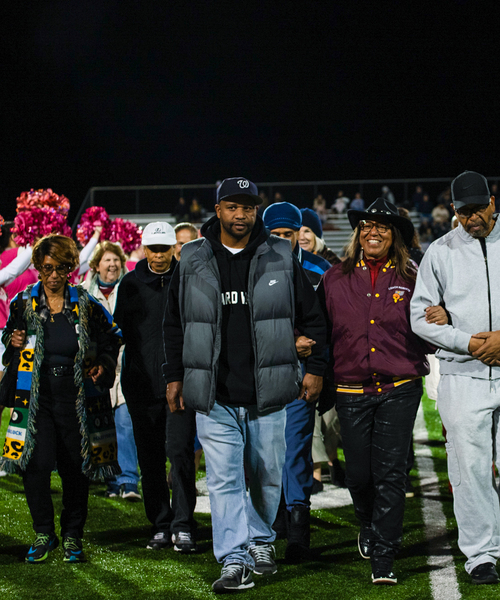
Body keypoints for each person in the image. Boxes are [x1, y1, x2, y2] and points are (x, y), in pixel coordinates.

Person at [163, 177, 326, 594]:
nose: (241, 215)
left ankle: (261, 539)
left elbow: (312, 315)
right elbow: (174, 324)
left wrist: (316, 367)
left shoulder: (280, 252)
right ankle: (234, 558)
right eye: (232, 207)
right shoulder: (193, 257)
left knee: (267, 474)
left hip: (268, 391)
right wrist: (175, 376)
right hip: (214, 392)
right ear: (217, 210)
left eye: (248, 207)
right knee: (223, 479)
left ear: (256, 211)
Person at [410, 171, 500, 585]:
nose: (471, 218)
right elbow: (420, 316)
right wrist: (469, 343)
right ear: (453, 210)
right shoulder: (439, 252)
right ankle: (480, 555)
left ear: (493, 202)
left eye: (477, 209)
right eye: (462, 211)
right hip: (463, 372)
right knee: (470, 467)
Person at [318, 198, 431, 585]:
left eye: (383, 226)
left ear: (395, 234)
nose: (374, 232)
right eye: (367, 226)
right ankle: (366, 522)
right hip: (350, 390)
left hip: (399, 387)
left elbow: (431, 333)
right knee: (360, 476)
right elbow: (319, 330)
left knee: (391, 473)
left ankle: (384, 555)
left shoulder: (415, 277)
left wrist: (441, 320)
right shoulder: (334, 278)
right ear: (358, 234)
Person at [0, 234, 122, 563]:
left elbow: (114, 335)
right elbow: (7, 343)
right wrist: (13, 341)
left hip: (78, 399)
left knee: (76, 468)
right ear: (38, 267)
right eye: (48, 268)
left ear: (71, 268)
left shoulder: (85, 302)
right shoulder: (23, 302)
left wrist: (104, 363)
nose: (54, 275)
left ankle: (72, 535)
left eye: (62, 268)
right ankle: (44, 533)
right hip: (35, 399)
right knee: (34, 466)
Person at [114, 222, 197, 553]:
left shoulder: (187, 278)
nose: (160, 255)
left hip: (181, 383)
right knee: (149, 458)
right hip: (141, 384)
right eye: (154, 248)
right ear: (144, 249)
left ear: (173, 248)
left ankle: (183, 524)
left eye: (165, 248)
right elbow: (120, 331)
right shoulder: (130, 284)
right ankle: (161, 525)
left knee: (179, 453)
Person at [262, 201, 331, 559]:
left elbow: (325, 326)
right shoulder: (250, 267)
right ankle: (276, 522)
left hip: (302, 375)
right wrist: (288, 343)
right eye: (275, 234)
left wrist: (317, 368)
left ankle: (298, 531)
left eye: (288, 234)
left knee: (296, 449)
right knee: (266, 450)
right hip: (261, 374)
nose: (283, 240)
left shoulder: (320, 270)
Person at [82, 241, 141, 501]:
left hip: (126, 365)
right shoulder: (84, 293)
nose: (113, 264)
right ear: (96, 266)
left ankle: (129, 480)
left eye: (116, 260)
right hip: (98, 369)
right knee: (101, 426)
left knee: (125, 424)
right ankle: (110, 479)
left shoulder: (130, 290)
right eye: (107, 260)